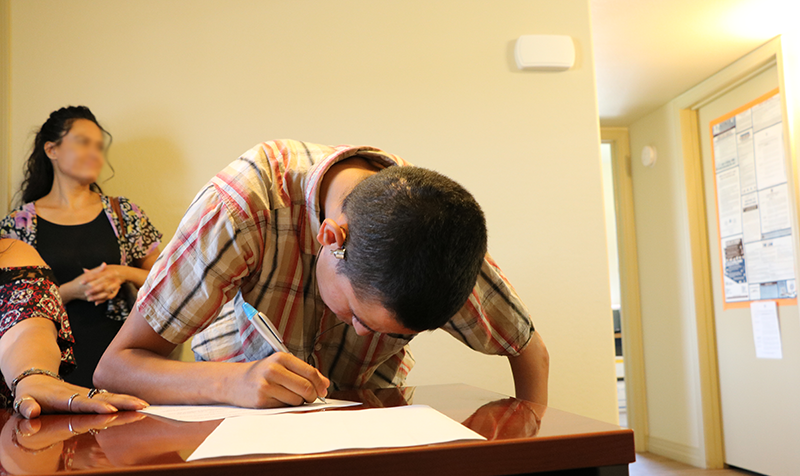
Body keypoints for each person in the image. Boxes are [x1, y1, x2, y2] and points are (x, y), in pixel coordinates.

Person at [95, 140, 549, 407]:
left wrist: (531, 459)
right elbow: (115, 367)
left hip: (362, 420)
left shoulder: (435, 231)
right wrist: (235, 382)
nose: (356, 330)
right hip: (236, 418)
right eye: (357, 314)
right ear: (333, 239)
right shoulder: (240, 208)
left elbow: (529, 350)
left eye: (385, 332)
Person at [0, 106, 162, 388]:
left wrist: (122, 273)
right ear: (51, 149)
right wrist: (71, 291)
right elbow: (10, 311)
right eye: (83, 142)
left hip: (120, 363)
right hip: (48, 367)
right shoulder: (18, 224)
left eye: (99, 146)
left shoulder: (124, 213)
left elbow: (167, 282)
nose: (95, 153)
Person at [0, 238, 149, 419]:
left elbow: (26, 328)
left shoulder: (10, 254)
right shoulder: (19, 220)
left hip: (101, 339)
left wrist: (34, 376)